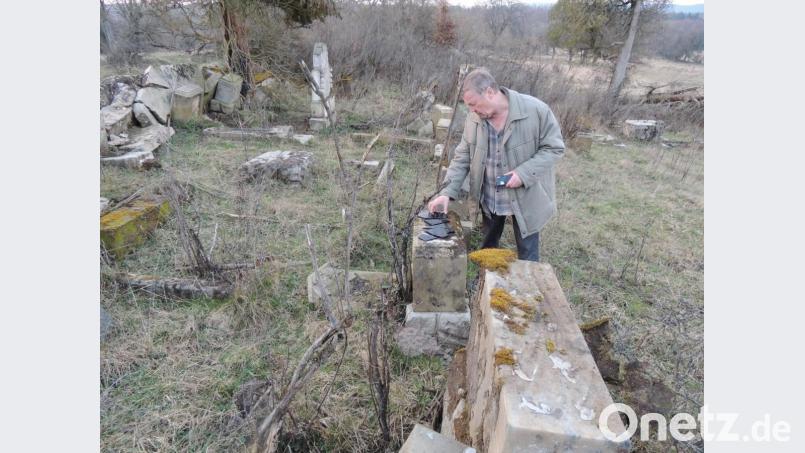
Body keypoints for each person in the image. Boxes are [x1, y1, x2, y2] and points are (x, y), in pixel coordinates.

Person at [428, 68, 565, 262]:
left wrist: (523, 174)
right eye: (468, 106)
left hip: (526, 197)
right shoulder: (474, 118)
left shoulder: (536, 110)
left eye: (474, 104)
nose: (472, 110)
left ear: (490, 92)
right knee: (488, 247)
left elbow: (554, 148)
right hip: (490, 197)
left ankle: (525, 287)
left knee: (528, 254)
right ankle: (486, 283)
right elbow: (462, 157)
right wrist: (445, 193)